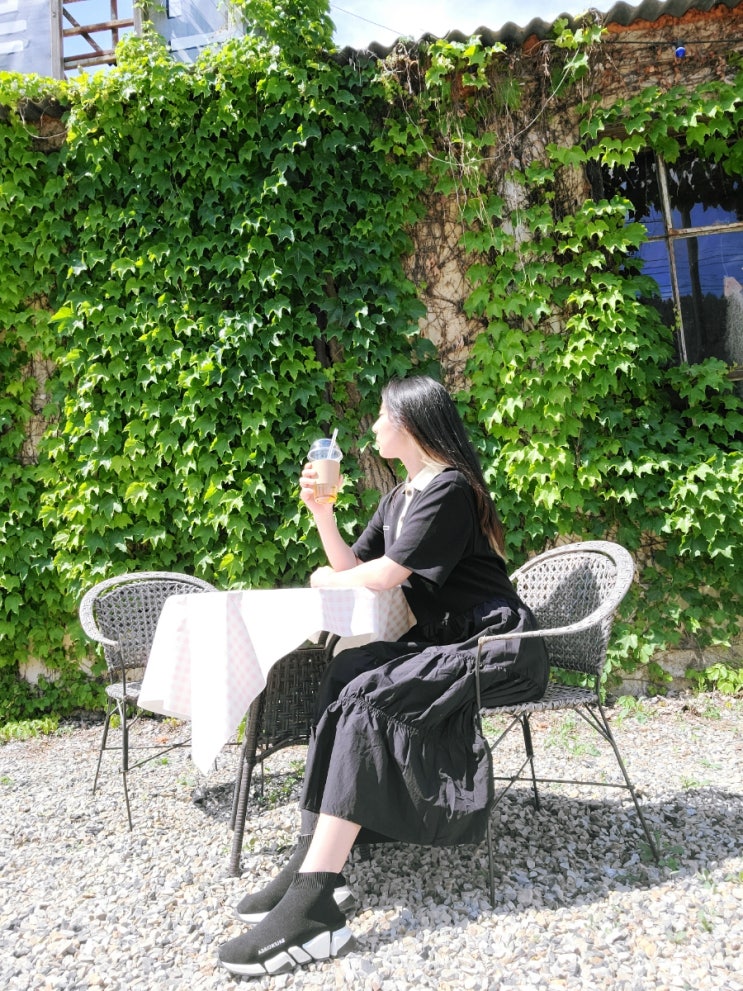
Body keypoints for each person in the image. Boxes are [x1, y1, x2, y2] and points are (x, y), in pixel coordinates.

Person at [218, 375, 549, 978]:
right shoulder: (399, 497)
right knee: (348, 668)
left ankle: (316, 906)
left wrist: (328, 579)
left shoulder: (449, 489)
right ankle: (316, 858)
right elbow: (355, 563)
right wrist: (323, 514)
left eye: (381, 415)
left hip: (496, 644)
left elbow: (385, 576)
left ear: (411, 423)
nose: (372, 426)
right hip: (448, 641)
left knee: (369, 697)